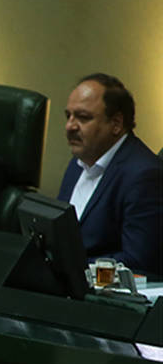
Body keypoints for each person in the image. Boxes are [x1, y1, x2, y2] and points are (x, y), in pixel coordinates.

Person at [57, 73, 162, 276]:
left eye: (83, 117)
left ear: (116, 123)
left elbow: (139, 262)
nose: (70, 126)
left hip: (104, 291)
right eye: (68, 116)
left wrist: (76, 270)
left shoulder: (144, 175)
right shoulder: (78, 163)